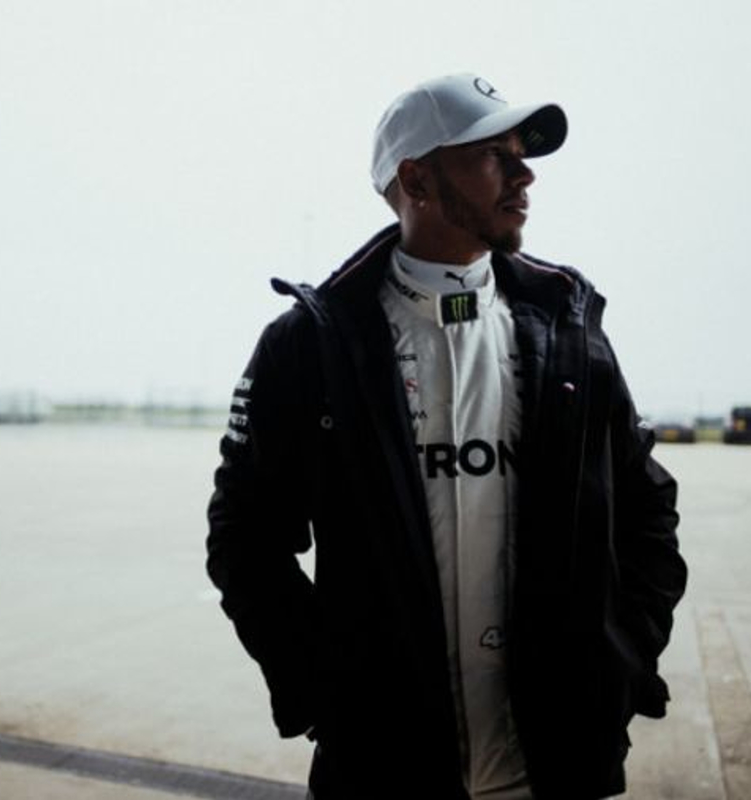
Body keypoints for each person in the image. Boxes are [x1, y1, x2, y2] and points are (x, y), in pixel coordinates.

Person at [205, 73, 687, 799]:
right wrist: (323, 683)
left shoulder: (568, 331)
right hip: (381, 771)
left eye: (523, 155)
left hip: (556, 766)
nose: (525, 175)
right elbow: (244, 539)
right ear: (416, 179)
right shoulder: (312, 345)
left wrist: (619, 658)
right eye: (495, 154)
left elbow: (648, 512)